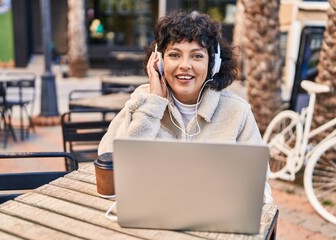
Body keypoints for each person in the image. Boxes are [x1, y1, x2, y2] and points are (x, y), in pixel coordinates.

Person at [98, 10, 273, 203]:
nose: (185, 65)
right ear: (159, 61)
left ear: (212, 64)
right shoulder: (143, 99)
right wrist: (154, 105)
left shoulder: (237, 111)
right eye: (174, 55)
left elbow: (261, 186)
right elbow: (109, 160)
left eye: (197, 56)